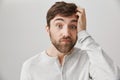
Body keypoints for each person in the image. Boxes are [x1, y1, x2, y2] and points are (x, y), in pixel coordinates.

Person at [20, 1, 120, 80]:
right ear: (48, 29)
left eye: (73, 26)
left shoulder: (89, 59)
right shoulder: (30, 67)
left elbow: (112, 77)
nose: (66, 33)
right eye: (59, 26)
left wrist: (83, 34)